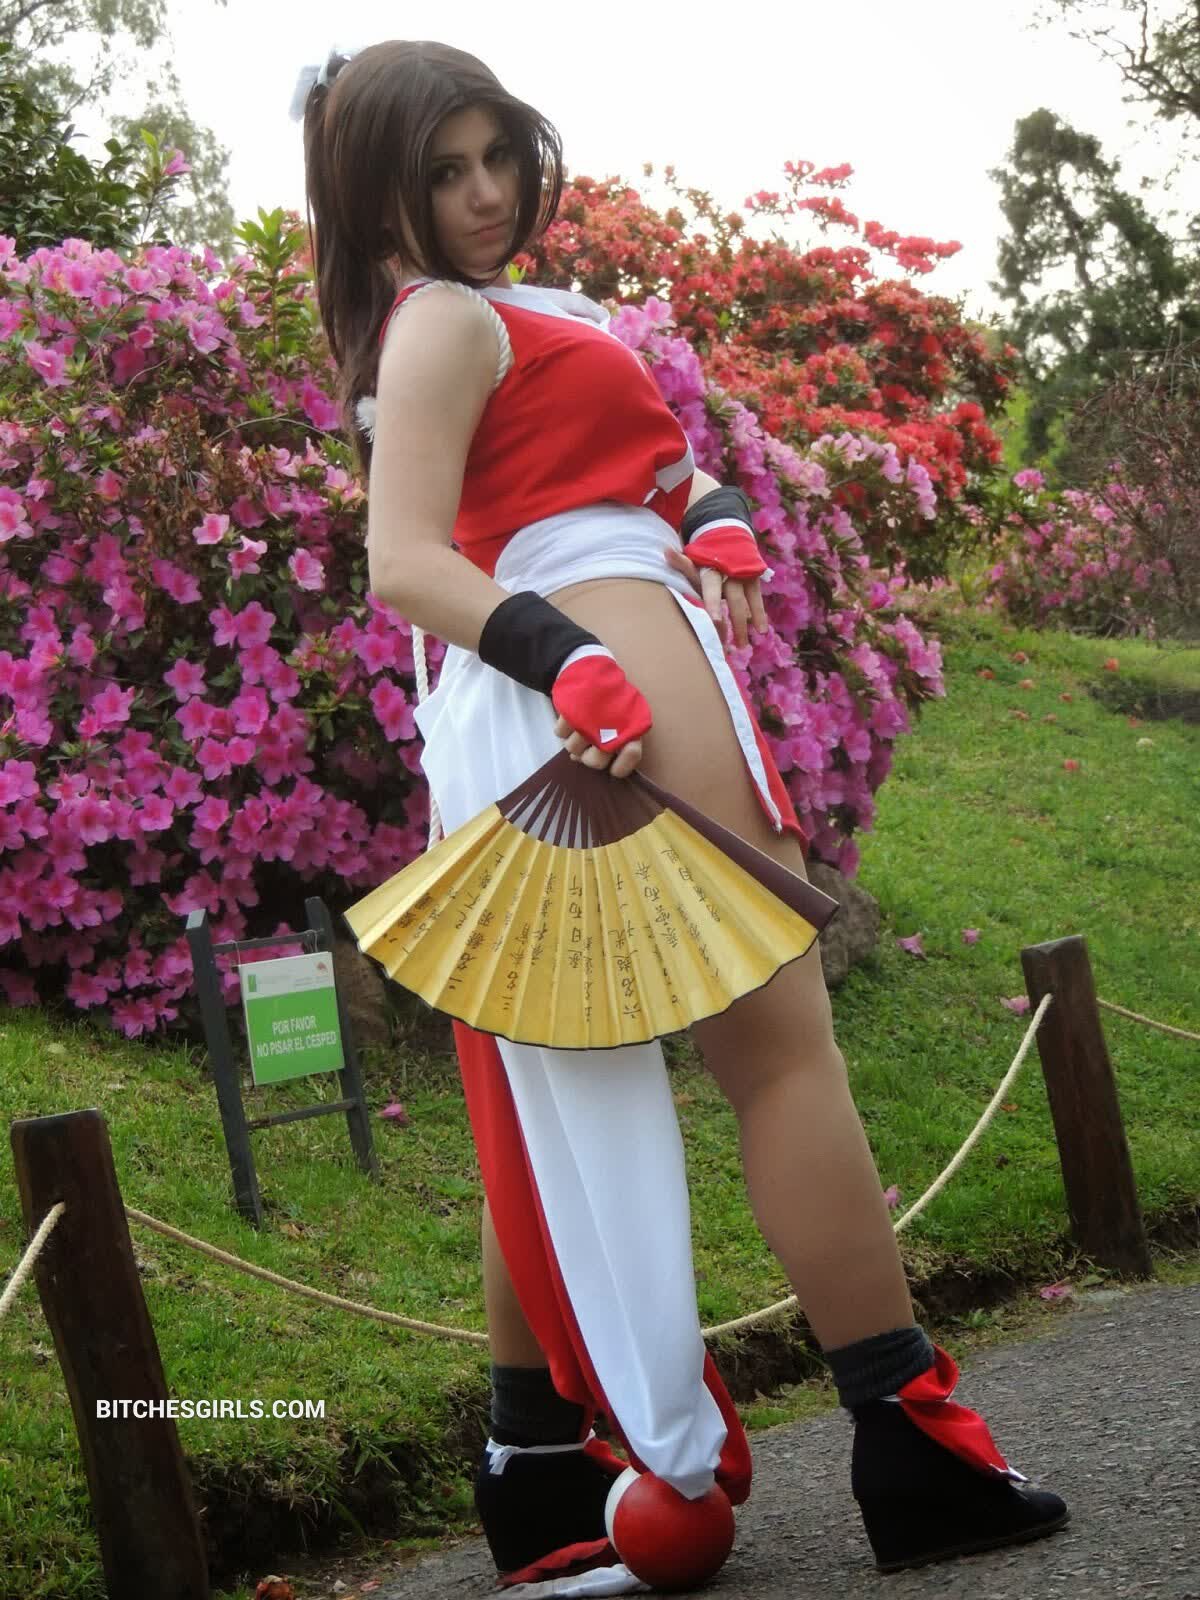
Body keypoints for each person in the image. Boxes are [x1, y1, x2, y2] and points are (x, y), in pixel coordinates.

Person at [294, 39, 1070, 1595]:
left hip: (594, 657)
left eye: (497, 152)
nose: (487, 191)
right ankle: (909, 1441)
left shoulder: (522, 312)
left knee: (547, 1097)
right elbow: (406, 560)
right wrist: (572, 659)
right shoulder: (442, 319)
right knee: (777, 1051)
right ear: (377, 196)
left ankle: (536, 1463)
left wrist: (712, 521)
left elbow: (660, 469)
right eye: (443, 171)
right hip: (587, 674)